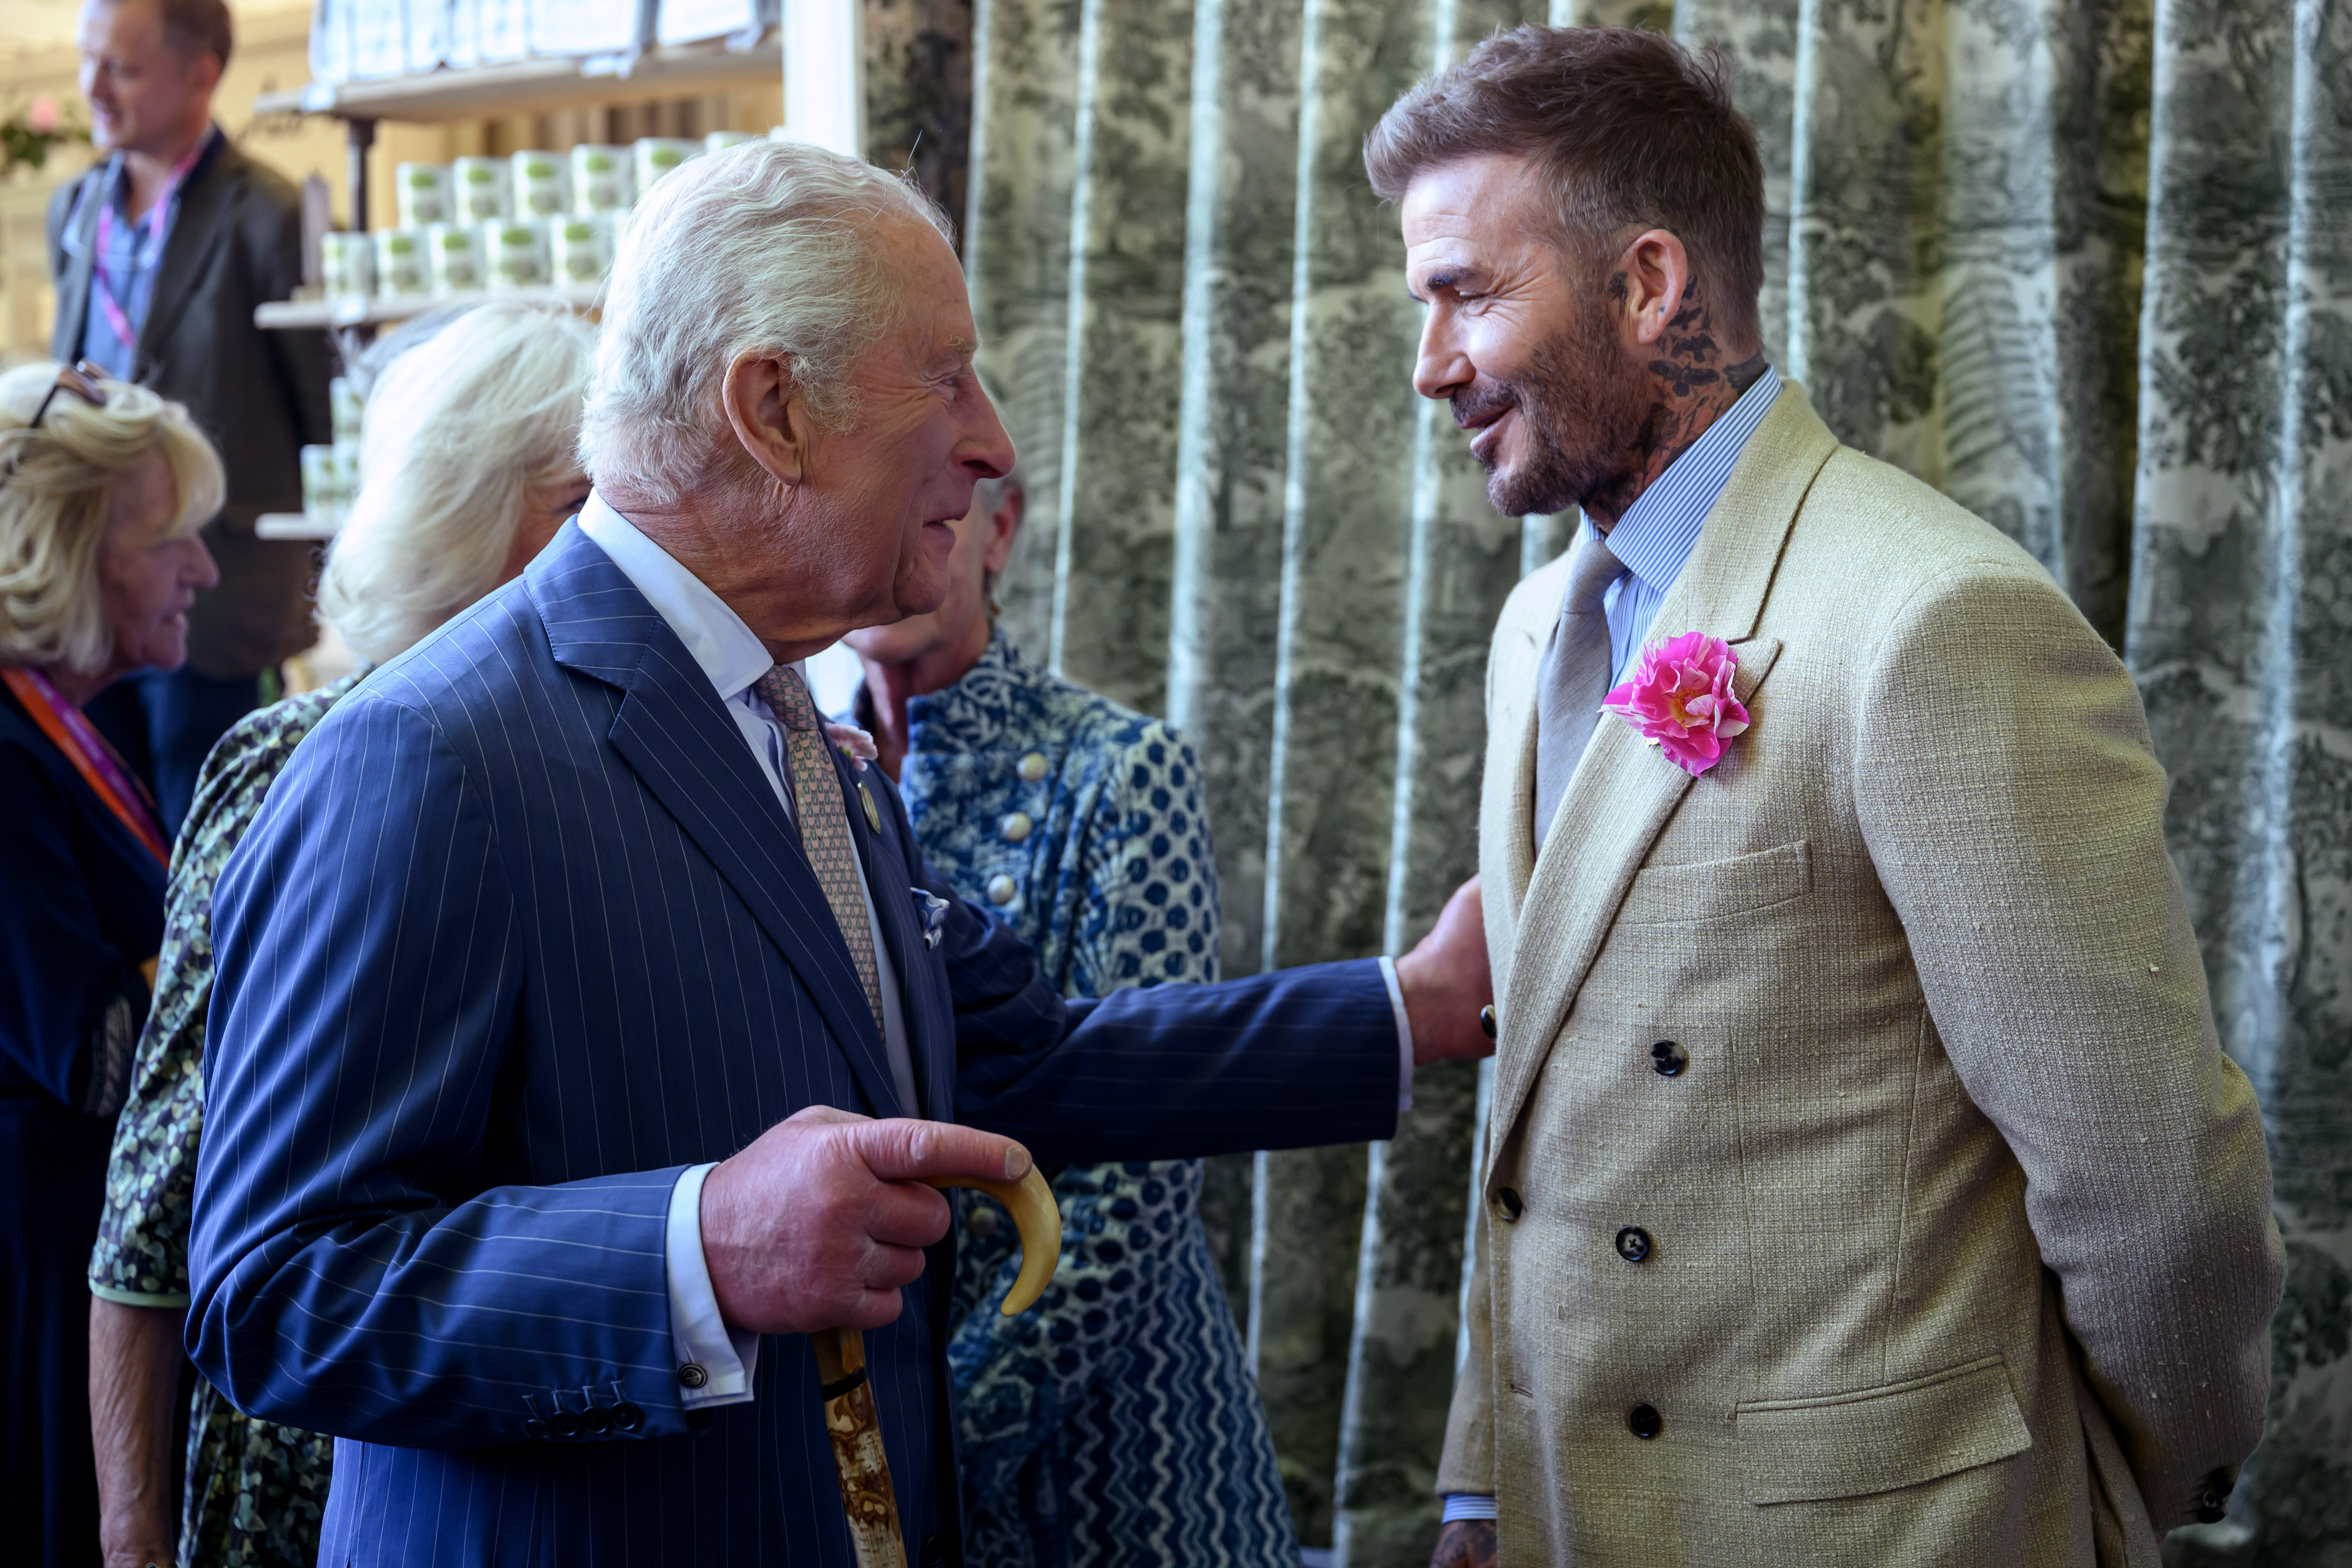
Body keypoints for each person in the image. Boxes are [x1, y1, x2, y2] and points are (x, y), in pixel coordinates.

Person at [182, 140, 1494, 1568]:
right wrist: (699, 1247)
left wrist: (1410, 1009)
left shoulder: (798, 740)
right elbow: (276, 1293)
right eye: (946, 377)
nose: (990, 442)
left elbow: (1015, 1068)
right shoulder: (425, 757)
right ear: (771, 408)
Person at [1362, 26, 2284, 1568]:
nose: (1432, 363)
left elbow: (2157, 1199)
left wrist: (2109, 1495)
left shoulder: (1937, 621)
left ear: (1650, 286)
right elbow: (1531, 1133)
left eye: (1469, 291)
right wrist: (1480, 1471)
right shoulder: (1535, 635)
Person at [83, 298, 596, 1568]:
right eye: (587, 508)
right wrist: (137, 1533)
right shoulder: (297, 764)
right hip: (318, 1469)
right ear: (482, 517)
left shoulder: (610, 761)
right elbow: (157, 1194)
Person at [843, 409, 1295, 1564]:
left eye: (940, 508)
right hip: (861, 1416)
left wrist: (946, 1431)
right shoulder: (797, 779)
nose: (908, 542)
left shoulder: (1121, 772)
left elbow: (1146, 1167)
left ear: (1001, 530)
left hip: (1119, 1450)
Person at [0, 360, 221, 1568]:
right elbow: (97, 1052)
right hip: (43, 1278)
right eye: (173, 537)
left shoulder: (68, 716)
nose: (205, 571)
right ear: (65, 548)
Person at [51, 0, 332, 836]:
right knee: (105, 857)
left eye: (122, 68)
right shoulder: (76, 210)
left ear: (201, 75)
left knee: (214, 869)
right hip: (88, 609)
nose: (91, 88)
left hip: (215, 612)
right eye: (88, 61)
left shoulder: (272, 217)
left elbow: (331, 417)